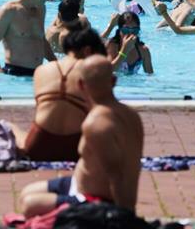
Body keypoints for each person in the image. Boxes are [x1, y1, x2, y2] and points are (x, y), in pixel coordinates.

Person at [17, 55, 144, 217]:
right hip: (79, 185)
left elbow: (116, 174)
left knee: (29, 205)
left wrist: (124, 216)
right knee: (26, 192)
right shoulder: (131, 114)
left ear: (80, 85)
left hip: (98, 199)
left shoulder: (97, 123)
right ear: (113, 81)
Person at [9, 28, 105, 162]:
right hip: (76, 149)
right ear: (88, 51)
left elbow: (40, 109)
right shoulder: (91, 71)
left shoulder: (41, 70)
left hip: (37, 147)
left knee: (10, 127)